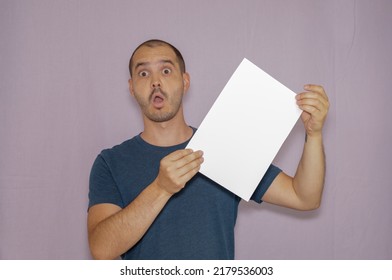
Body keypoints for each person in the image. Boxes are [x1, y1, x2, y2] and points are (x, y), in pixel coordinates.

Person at [87, 39, 329, 260]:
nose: (155, 81)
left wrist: (314, 134)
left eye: (166, 70)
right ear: (131, 88)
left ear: (185, 81)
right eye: (143, 73)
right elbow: (101, 249)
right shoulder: (111, 162)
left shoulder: (221, 145)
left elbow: (304, 197)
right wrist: (161, 188)